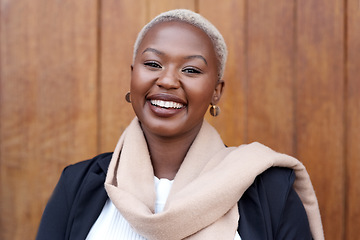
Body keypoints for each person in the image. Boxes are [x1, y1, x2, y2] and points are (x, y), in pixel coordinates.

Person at [36, 9, 324, 240]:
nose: (168, 80)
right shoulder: (77, 184)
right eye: (152, 64)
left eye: (191, 70)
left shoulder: (270, 191)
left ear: (216, 91)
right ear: (132, 75)